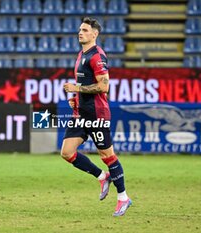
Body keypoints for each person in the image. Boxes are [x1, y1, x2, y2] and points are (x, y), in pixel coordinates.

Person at [62, 17, 132, 217]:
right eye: (79, 30)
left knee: (107, 156)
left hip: (97, 114)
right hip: (80, 113)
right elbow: (86, 84)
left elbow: (104, 86)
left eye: (84, 30)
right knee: (67, 152)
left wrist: (77, 88)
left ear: (95, 34)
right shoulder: (81, 54)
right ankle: (102, 177)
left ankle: (123, 198)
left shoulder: (97, 56)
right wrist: (76, 98)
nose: (80, 33)